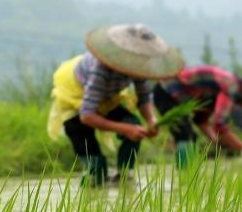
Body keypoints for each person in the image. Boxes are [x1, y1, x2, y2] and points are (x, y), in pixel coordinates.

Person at [47, 24, 184, 186]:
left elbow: (144, 96)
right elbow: (87, 115)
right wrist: (125, 129)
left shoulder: (138, 68)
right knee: (93, 162)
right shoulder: (100, 69)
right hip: (76, 102)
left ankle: (124, 176)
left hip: (106, 99)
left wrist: (152, 120)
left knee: (134, 125)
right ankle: (93, 180)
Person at [154, 65, 242, 167]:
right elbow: (220, 125)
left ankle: (187, 175)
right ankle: (185, 175)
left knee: (190, 136)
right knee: (185, 135)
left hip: (174, 95)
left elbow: (200, 119)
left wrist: (215, 141)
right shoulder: (232, 86)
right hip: (167, 90)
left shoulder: (215, 91)